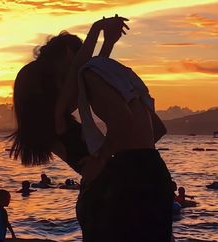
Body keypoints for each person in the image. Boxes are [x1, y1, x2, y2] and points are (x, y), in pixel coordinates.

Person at [10, 15, 173, 242]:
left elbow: (89, 72)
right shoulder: (57, 120)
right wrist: (96, 31)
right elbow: (85, 70)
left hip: (108, 193)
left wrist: (106, 42)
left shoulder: (57, 122)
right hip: (106, 196)